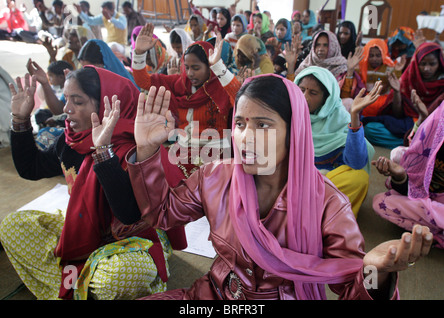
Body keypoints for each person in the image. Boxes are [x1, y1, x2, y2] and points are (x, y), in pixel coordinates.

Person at [118, 73, 432, 300]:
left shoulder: (327, 203)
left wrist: (375, 272)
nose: (245, 137)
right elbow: (162, 214)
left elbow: (351, 289)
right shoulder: (214, 176)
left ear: (293, 132)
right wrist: (146, 151)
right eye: (240, 123)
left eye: (263, 125)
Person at [0, 66, 182, 300]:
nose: (66, 110)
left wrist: (103, 152)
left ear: (106, 106)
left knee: (118, 276)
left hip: (134, 243)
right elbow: (31, 168)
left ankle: (71, 283)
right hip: (84, 233)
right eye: (66, 99)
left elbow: (128, 215)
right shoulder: (70, 141)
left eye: (77, 101)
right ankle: (76, 290)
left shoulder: (137, 148)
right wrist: (20, 119)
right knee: (13, 226)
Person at [132, 23, 240, 184]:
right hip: (181, 153)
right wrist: (139, 53)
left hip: (213, 158)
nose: (190, 73)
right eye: (187, 67)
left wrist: (218, 66)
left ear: (209, 67)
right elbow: (143, 81)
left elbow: (239, 95)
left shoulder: (220, 88)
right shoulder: (179, 83)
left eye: (196, 68)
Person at [295, 66, 378, 217]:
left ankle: (320, 219)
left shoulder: (340, 120)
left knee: (358, 179)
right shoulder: (291, 115)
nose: (304, 97)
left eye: (313, 93)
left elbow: (356, 162)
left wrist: (354, 115)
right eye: (301, 90)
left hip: (328, 181)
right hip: (298, 181)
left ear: (326, 98)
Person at [372, 100, 444, 249]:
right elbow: (413, 184)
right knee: (381, 202)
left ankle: (433, 230)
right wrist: (400, 176)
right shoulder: (437, 124)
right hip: (432, 199)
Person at [355, 39, 408, 149]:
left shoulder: (388, 67)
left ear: (384, 54)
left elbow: (396, 83)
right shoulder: (363, 66)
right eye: (371, 55)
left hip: (381, 98)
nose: (374, 58)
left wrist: (398, 71)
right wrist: (357, 46)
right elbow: (356, 75)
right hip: (367, 96)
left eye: (378, 55)